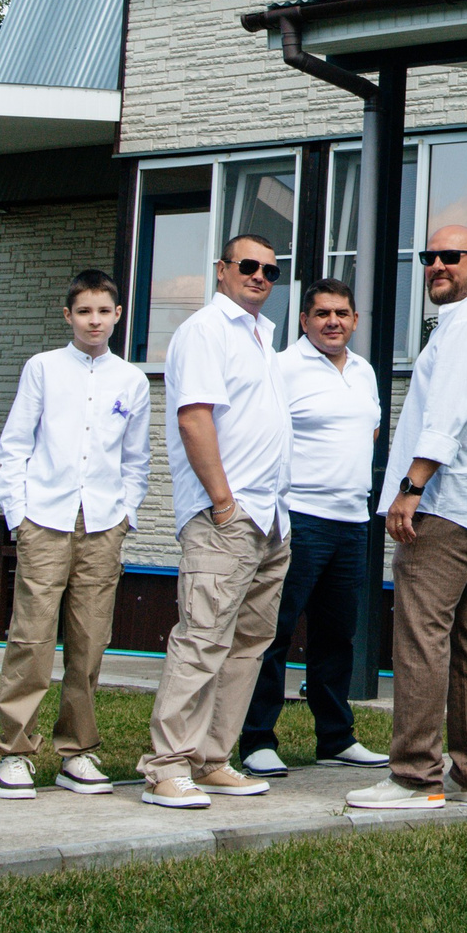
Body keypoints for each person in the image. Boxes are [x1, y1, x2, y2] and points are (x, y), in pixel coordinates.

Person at [347, 225, 467, 811]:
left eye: (451, 257)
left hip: (449, 503)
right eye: (429, 256)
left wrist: (411, 487)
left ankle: (414, 776)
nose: (436, 265)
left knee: (422, 634)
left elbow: (449, 413)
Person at [138, 234, 294, 808]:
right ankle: (167, 766)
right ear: (222, 270)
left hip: (271, 518)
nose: (259, 277)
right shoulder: (205, 331)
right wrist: (223, 502)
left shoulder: (261, 338)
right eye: (248, 267)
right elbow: (194, 418)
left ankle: (210, 758)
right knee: (202, 639)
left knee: (248, 642)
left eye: (270, 272)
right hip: (225, 516)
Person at [0, 268, 152, 800]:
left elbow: (136, 460)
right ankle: (14, 751)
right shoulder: (43, 369)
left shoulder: (130, 380)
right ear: (68, 316)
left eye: (104, 311)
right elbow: (15, 446)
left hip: (102, 524)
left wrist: (124, 513)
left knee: (89, 640)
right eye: (84, 311)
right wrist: (20, 516)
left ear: (118, 315)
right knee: (32, 635)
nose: (94, 321)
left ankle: (77, 751)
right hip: (46, 520)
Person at [234, 281, 389, 778]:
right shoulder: (282, 368)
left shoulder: (364, 372)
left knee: (336, 636)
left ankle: (336, 738)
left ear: (354, 319)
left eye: (342, 313)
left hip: (352, 521)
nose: (333, 322)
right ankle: (257, 739)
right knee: (273, 632)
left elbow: (370, 432)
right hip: (298, 518)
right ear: (304, 320)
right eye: (321, 313)